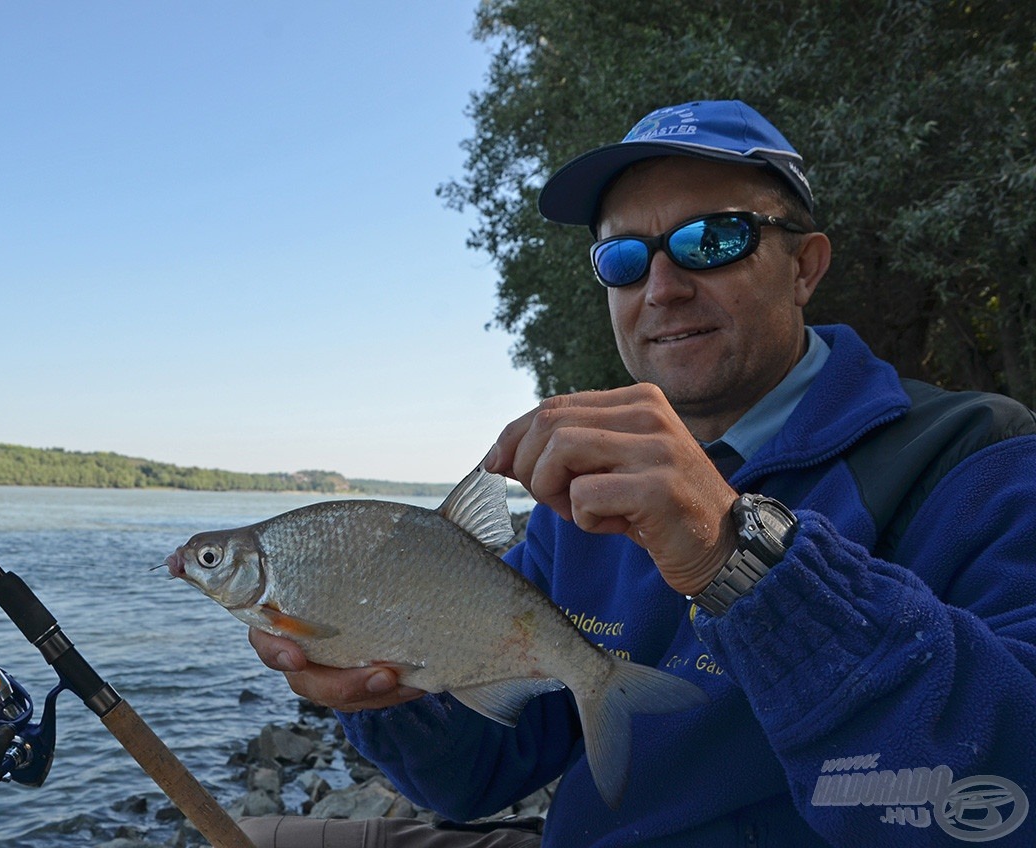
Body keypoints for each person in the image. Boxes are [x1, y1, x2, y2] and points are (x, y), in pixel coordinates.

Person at [238, 100, 1036, 846]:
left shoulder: (976, 456)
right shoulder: (575, 494)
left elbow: (1010, 784)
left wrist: (742, 561)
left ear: (805, 267)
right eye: (623, 257)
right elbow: (477, 778)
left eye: (714, 239)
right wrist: (390, 685)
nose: (662, 287)